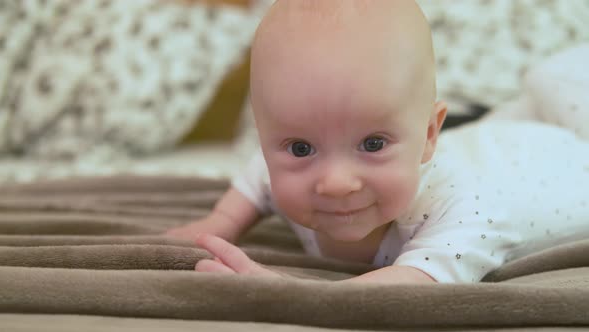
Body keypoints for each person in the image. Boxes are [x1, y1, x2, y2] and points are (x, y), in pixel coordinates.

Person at [166, 0, 589, 283]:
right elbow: (256, 179)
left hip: (568, 155)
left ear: (428, 135)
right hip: (498, 136)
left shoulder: (465, 208)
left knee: (558, 81)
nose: (334, 182)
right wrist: (219, 223)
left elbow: (405, 288)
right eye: (301, 148)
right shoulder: (282, 169)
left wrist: (280, 290)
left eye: (372, 144)